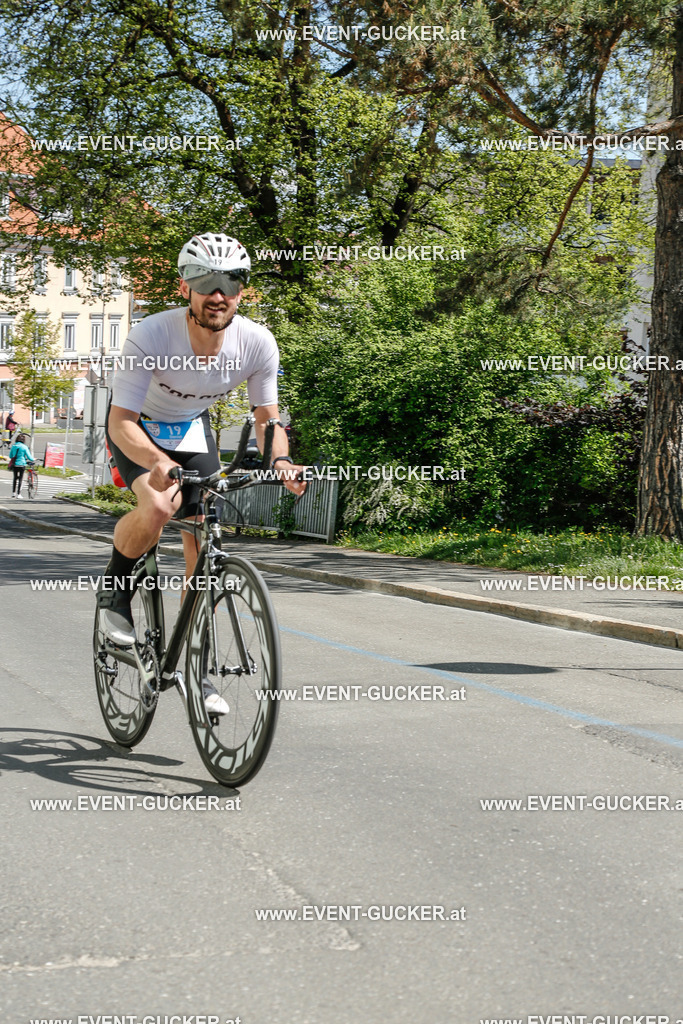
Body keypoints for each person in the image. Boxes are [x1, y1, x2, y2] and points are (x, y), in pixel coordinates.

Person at [100, 232, 306, 714]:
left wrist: (280, 460)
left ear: (242, 290)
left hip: (191, 430)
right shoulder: (151, 334)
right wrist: (158, 462)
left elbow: (267, 420)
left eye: (230, 281)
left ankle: (199, 662)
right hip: (139, 426)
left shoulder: (257, 342)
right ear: (184, 286)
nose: (218, 293)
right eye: (205, 280)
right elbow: (119, 421)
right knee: (156, 505)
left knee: (204, 536)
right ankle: (114, 594)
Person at [9, 432, 35, 498]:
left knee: (15, 478)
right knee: (20, 478)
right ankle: (19, 494)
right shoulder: (24, 447)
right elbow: (29, 457)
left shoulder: (14, 446)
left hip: (15, 464)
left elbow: (10, 456)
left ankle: (13, 493)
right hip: (22, 464)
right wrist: (33, 459)